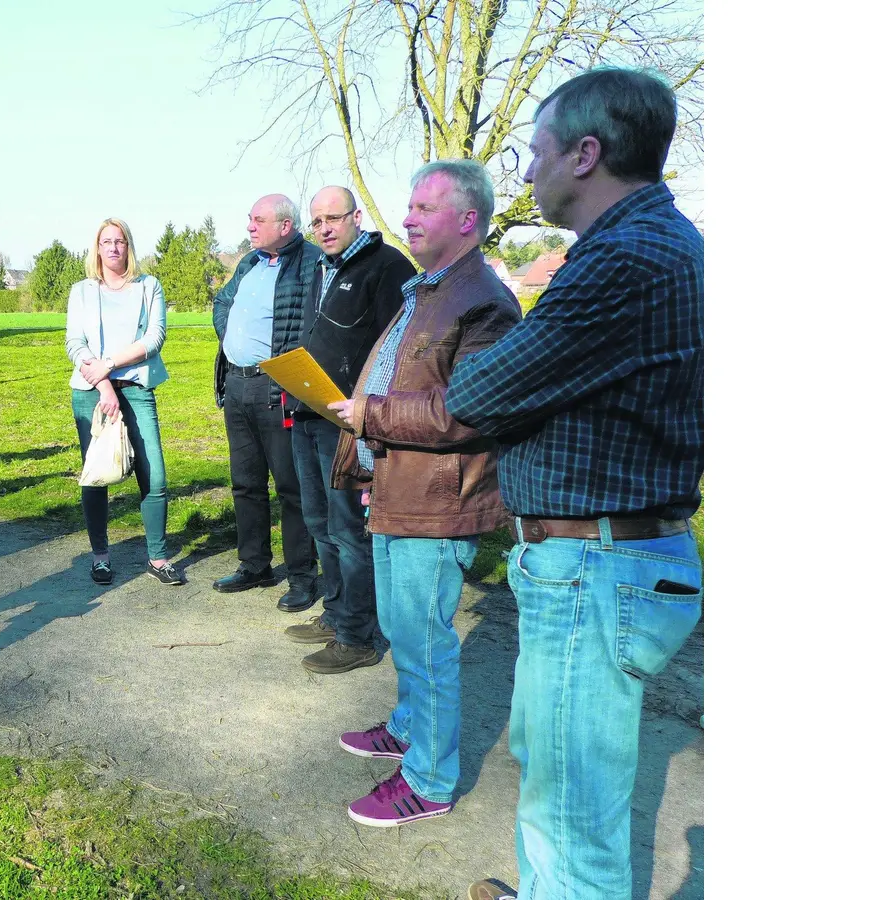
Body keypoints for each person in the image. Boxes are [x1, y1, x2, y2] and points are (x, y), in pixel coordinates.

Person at [445, 68, 703, 900]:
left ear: (587, 154)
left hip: (596, 562)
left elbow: (475, 396)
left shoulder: (621, 259)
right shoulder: (651, 244)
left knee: (573, 808)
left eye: (537, 151)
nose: (525, 172)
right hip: (606, 554)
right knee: (556, 775)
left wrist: (521, 302)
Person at [325, 160, 520, 828]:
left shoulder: (483, 300)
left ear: (468, 218)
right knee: (403, 629)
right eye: (408, 206)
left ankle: (430, 780)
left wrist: (370, 417)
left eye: (423, 207)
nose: (406, 217)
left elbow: (469, 414)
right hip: (398, 485)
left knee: (427, 640)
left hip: (440, 501)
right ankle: (409, 727)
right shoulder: (427, 289)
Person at [281, 186, 417, 675]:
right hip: (309, 411)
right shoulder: (322, 266)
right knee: (319, 522)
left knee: (348, 529)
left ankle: (357, 636)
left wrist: (368, 410)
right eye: (316, 222)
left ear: (356, 216)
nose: (324, 229)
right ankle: (336, 612)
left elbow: (397, 349)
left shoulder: (387, 266)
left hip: (349, 422)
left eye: (333, 219)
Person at [210, 194, 320, 612]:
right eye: (249, 220)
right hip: (236, 385)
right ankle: (254, 565)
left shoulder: (310, 262)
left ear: (286, 225)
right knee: (246, 482)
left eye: (258, 220)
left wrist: (284, 363)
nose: (250, 227)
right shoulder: (250, 262)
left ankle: (302, 578)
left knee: (292, 488)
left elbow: (315, 322)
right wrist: (233, 341)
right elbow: (223, 303)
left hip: (278, 388)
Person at [63, 218, 185, 587]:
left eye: (120, 241)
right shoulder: (82, 291)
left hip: (136, 386)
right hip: (92, 392)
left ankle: (158, 557)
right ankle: (100, 557)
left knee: (156, 475)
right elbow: (74, 344)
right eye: (107, 241)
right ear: (97, 248)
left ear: (129, 247)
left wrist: (111, 365)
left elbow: (155, 337)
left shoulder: (149, 286)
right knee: (96, 474)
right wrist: (103, 384)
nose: (114, 247)